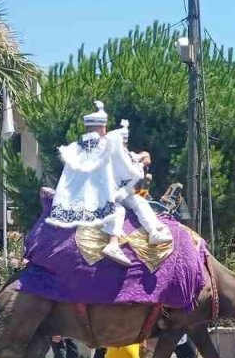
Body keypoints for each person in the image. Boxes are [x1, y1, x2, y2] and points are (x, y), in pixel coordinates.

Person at [46, 102, 169, 266]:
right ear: (102, 127)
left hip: (80, 194)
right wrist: (139, 162)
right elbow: (124, 164)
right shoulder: (106, 144)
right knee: (118, 209)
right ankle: (113, 243)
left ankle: (154, 230)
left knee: (136, 200)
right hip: (100, 194)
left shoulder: (76, 148)